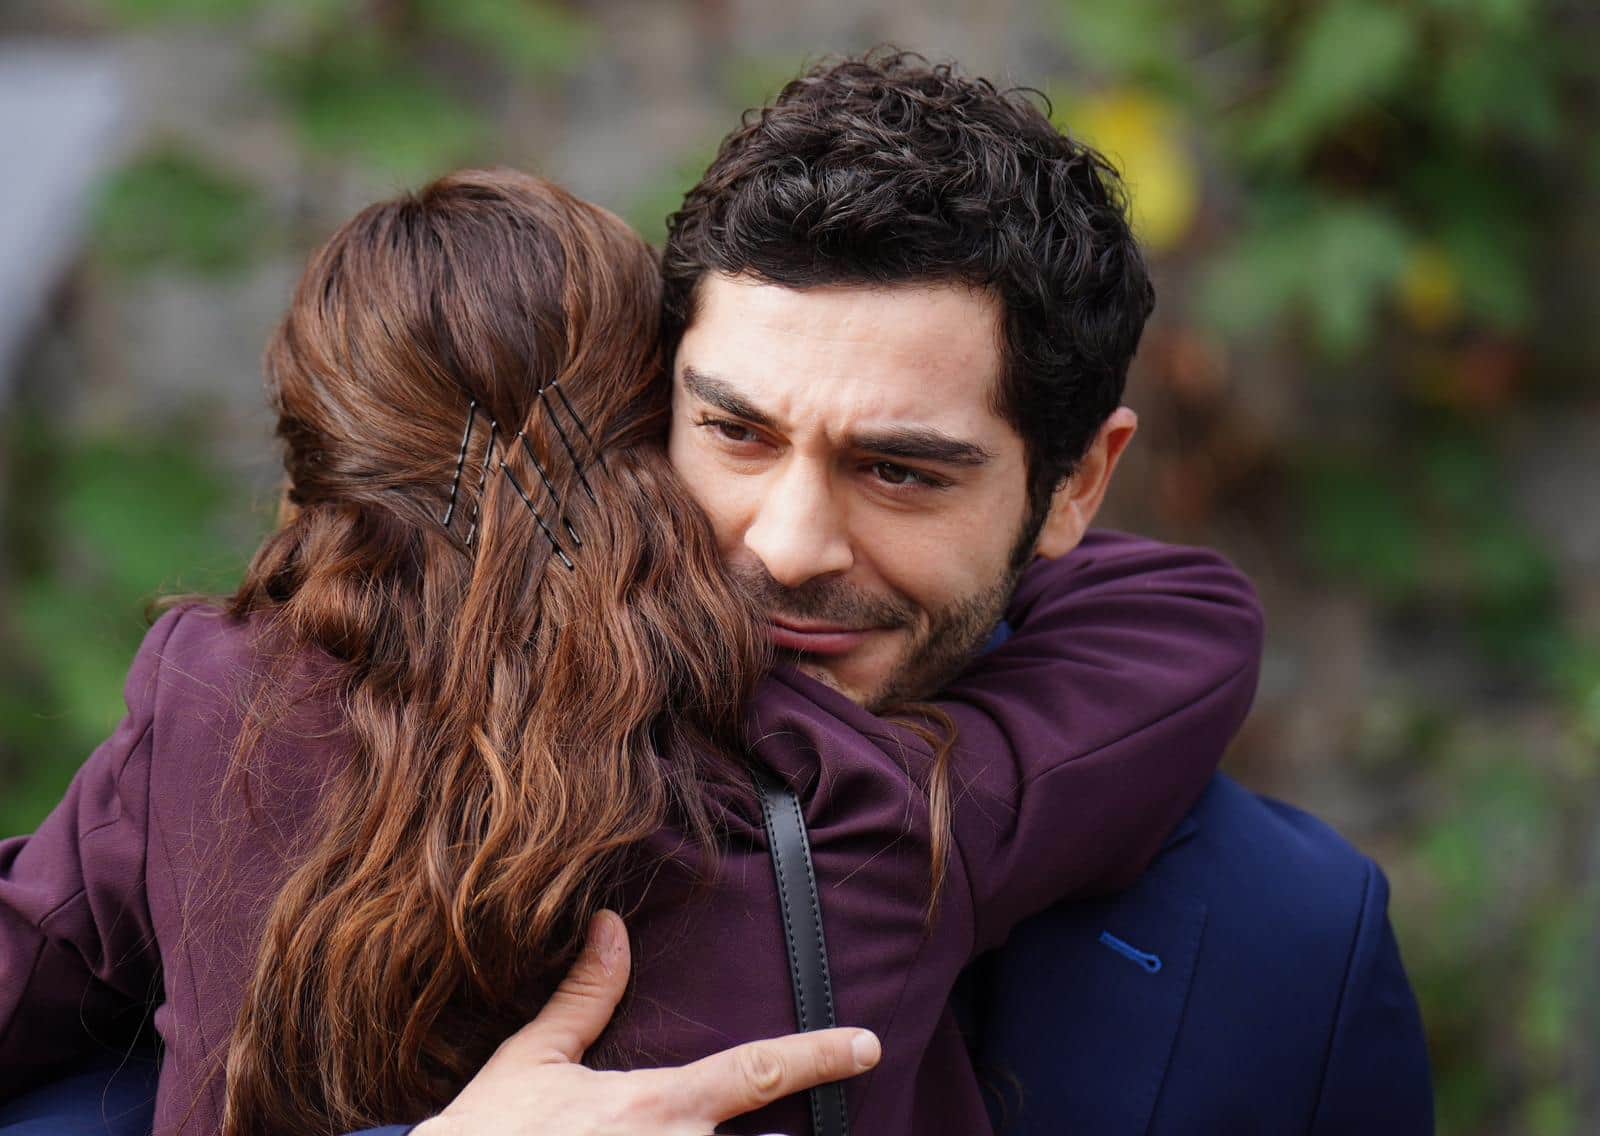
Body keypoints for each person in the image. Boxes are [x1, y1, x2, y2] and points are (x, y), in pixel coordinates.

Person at [2, 49, 1433, 1135]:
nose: (786, 546)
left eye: (900, 471)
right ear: (641, 412)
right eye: (736, 434)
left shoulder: (1290, 945)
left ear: (1074, 486)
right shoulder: (281, 726)